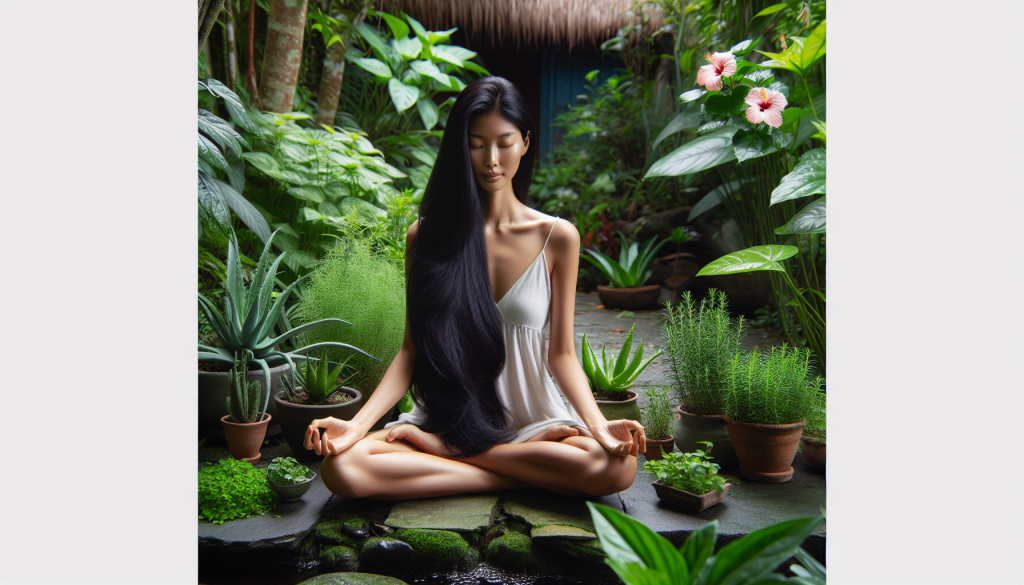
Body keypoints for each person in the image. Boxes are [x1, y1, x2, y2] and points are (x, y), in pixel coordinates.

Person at [304, 76, 646, 501]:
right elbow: (410, 351)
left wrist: (598, 426)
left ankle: (456, 459)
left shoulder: (558, 237)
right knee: (343, 468)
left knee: (617, 466)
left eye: (504, 142)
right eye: (476, 143)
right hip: (448, 421)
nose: (491, 159)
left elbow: (561, 355)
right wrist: (357, 426)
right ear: (459, 147)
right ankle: (510, 467)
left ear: (524, 141)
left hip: (534, 422)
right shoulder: (426, 237)